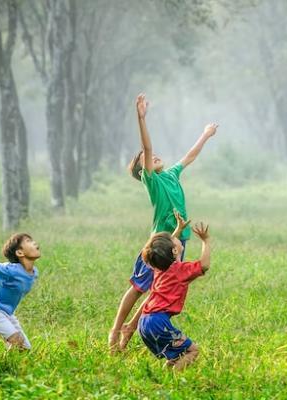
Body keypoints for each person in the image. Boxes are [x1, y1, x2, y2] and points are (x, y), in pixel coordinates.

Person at [109, 93, 218, 351]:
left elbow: (189, 156)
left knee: (160, 288)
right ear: (142, 169)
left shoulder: (171, 174)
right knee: (138, 287)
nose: (153, 155)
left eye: (154, 155)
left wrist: (205, 135)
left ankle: (131, 330)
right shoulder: (152, 180)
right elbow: (146, 148)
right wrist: (141, 118)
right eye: (146, 159)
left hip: (178, 240)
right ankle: (116, 330)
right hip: (158, 243)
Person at [138, 219, 211, 370]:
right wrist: (206, 241)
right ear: (175, 250)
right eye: (174, 239)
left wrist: (178, 229)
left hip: (144, 322)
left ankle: (165, 378)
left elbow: (163, 249)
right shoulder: (180, 270)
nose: (175, 238)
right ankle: (174, 380)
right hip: (158, 322)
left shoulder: (159, 267)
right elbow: (204, 265)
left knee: (176, 355)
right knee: (193, 350)